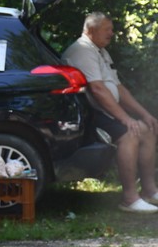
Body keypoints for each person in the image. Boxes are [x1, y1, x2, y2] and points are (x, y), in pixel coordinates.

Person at [61, 12, 158, 214]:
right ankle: (130, 198)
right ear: (91, 30)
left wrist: (144, 114)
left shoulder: (100, 51)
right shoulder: (82, 50)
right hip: (91, 112)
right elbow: (97, 90)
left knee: (147, 129)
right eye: (107, 29)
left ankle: (150, 191)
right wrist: (126, 119)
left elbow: (119, 89)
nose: (112, 33)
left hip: (107, 111)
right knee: (130, 134)